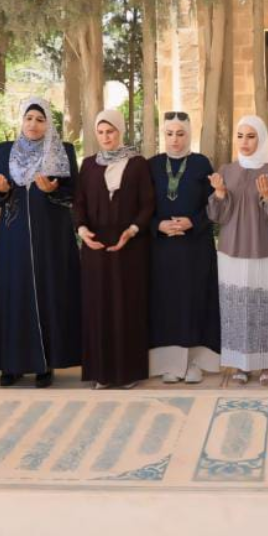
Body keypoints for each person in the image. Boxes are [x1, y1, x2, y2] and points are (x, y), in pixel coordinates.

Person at [0, 98, 81, 388]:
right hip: (13, 235)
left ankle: (46, 364)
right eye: (29, 118)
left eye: (40, 119)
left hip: (51, 234)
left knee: (48, 292)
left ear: (48, 123)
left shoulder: (62, 150)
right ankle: (11, 364)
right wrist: (0, 191)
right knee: (13, 293)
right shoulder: (5, 151)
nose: (33, 124)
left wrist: (52, 190)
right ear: (22, 121)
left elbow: (74, 192)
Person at [208, 115, 268, 385]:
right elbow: (216, 216)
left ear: (262, 139)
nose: (244, 142)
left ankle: (267, 364)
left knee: (266, 307)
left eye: (251, 136)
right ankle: (240, 364)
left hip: (267, 251)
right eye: (240, 136)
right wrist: (220, 194)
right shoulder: (227, 170)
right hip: (232, 252)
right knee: (238, 309)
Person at [75, 109, 154, 389]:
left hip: (130, 246)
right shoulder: (88, 165)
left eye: (110, 131)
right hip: (95, 246)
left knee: (127, 307)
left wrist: (131, 231)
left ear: (120, 132)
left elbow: (147, 204)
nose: (106, 137)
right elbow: (79, 203)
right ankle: (101, 374)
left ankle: (128, 373)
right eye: (101, 132)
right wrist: (83, 231)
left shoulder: (137, 164)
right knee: (98, 308)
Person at [146, 111, 220, 383]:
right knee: (166, 303)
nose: (175, 140)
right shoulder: (152, 165)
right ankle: (169, 364)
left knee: (194, 301)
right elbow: (141, 206)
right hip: (162, 249)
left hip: (195, 247)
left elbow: (214, 205)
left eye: (180, 134)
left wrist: (193, 222)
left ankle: (194, 362)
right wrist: (157, 225)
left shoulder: (201, 163)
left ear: (188, 135)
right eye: (169, 134)